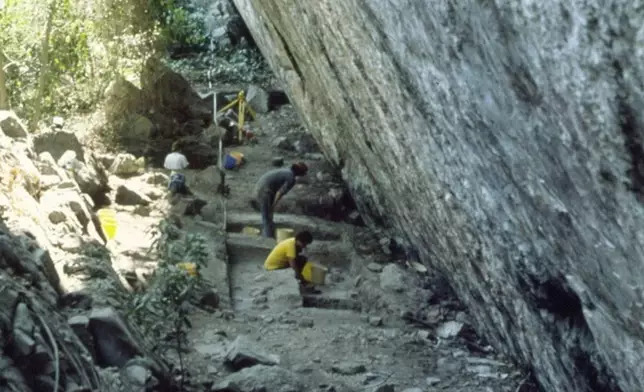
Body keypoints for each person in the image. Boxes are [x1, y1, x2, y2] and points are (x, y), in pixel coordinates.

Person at [254, 162, 308, 238]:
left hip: (261, 187)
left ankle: (268, 234)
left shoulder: (286, 171)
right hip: (264, 191)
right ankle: (267, 238)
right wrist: (274, 205)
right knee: (267, 217)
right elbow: (279, 193)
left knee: (268, 216)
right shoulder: (291, 178)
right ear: (300, 173)